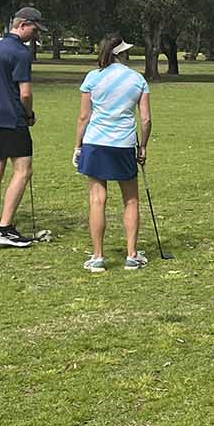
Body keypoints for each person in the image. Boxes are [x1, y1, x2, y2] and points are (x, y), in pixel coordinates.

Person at [73, 34, 151, 272]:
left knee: (97, 199)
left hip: (95, 143)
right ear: (122, 53)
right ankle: (131, 254)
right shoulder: (137, 79)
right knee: (131, 199)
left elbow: (84, 116)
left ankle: (97, 257)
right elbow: (146, 119)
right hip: (124, 144)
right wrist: (143, 146)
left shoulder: (93, 77)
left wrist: (78, 145)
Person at [0, 6, 46, 248]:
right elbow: (25, 93)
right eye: (34, 29)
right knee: (23, 170)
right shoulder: (21, 52)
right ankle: (5, 229)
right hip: (11, 117)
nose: (35, 35)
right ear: (22, 25)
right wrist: (29, 114)